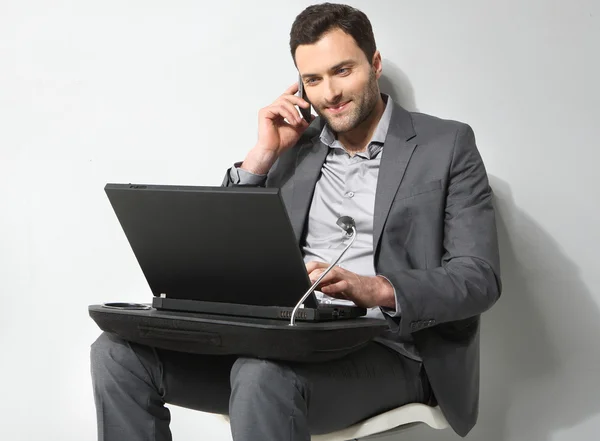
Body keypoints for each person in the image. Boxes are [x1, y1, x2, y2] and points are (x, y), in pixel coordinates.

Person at [90, 3, 501, 440]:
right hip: (282, 339)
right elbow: (228, 250)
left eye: (343, 71)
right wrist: (261, 157)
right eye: (313, 79)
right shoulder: (296, 148)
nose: (330, 94)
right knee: (116, 353)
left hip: (388, 350)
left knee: (260, 374)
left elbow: (479, 278)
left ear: (375, 64)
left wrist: (378, 288)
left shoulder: (446, 144)